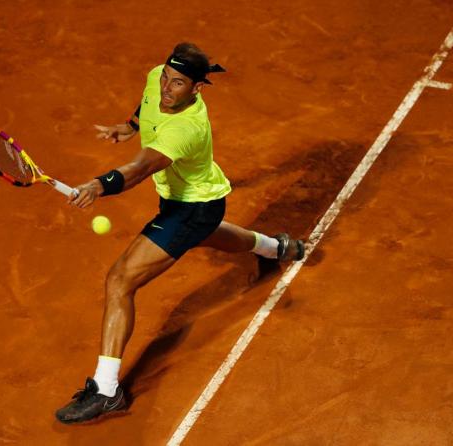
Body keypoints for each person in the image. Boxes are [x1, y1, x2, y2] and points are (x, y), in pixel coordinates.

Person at [55, 42, 304, 424]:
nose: (166, 90)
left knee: (120, 280)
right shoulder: (158, 77)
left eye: (178, 85)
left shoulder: (187, 128)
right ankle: (275, 248)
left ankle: (107, 391)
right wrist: (132, 125)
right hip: (189, 204)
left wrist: (98, 185)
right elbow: (147, 104)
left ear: (197, 88)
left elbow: (140, 168)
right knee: (206, 234)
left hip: (193, 207)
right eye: (166, 79)